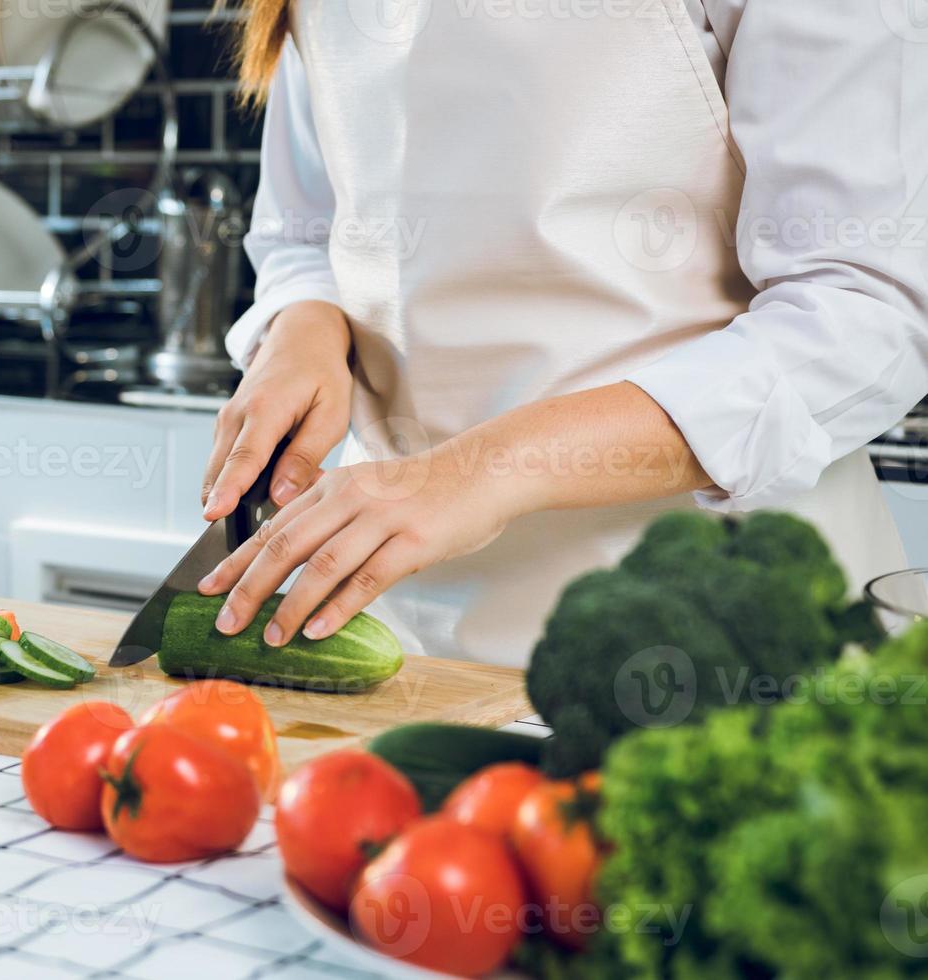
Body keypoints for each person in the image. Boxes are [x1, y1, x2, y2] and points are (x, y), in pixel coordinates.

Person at [197, 0, 928, 666]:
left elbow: (865, 308)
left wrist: (481, 470)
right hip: (395, 619)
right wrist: (303, 325)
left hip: (707, 618)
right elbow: (309, 226)